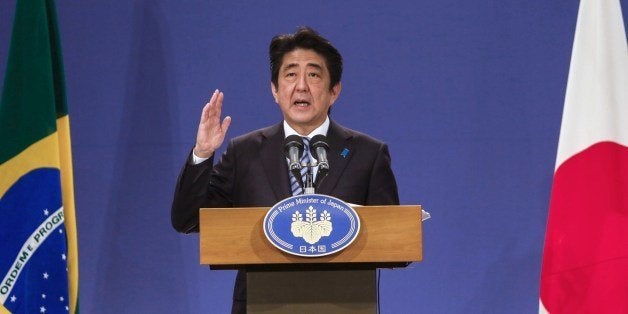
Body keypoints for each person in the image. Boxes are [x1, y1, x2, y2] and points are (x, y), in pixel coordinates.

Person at [171, 26, 399, 314]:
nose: (301, 86)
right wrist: (202, 154)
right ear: (275, 90)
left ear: (334, 91)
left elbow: (394, 242)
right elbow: (187, 220)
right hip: (260, 304)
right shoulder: (245, 152)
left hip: (344, 303)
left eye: (314, 75)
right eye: (290, 74)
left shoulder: (368, 154)